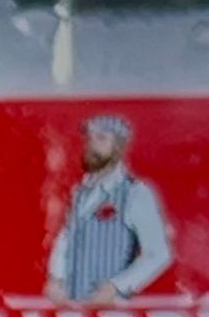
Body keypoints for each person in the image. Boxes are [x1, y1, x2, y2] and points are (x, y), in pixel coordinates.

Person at [44, 112, 173, 303]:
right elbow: (66, 238)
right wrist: (56, 278)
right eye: (90, 137)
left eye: (101, 138)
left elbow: (158, 253)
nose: (92, 144)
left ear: (119, 146)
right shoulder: (80, 192)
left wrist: (117, 286)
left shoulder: (134, 192)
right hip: (73, 310)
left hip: (113, 315)